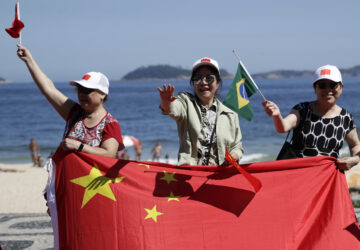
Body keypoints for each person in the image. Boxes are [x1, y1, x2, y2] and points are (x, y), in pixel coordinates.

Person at [17, 45, 124, 158]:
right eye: (79, 89)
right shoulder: (75, 113)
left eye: (87, 90)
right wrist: (29, 60)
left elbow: (109, 154)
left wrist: (80, 146)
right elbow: (49, 89)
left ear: (102, 94)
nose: (81, 94)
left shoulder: (110, 124)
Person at [263, 65, 360, 170]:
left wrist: (355, 159)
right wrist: (277, 115)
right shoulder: (302, 110)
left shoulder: (346, 118)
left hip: (328, 180)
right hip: (299, 176)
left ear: (341, 87)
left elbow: (355, 145)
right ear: (315, 88)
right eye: (322, 85)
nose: (328, 90)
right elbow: (283, 127)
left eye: (333, 85)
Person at [157, 57, 244, 165]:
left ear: (217, 83)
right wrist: (166, 101)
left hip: (219, 177)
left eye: (209, 78)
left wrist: (234, 155)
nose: (203, 82)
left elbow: (237, 146)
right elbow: (171, 109)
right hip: (191, 176)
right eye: (198, 78)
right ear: (193, 83)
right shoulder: (185, 103)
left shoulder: (230, 114)